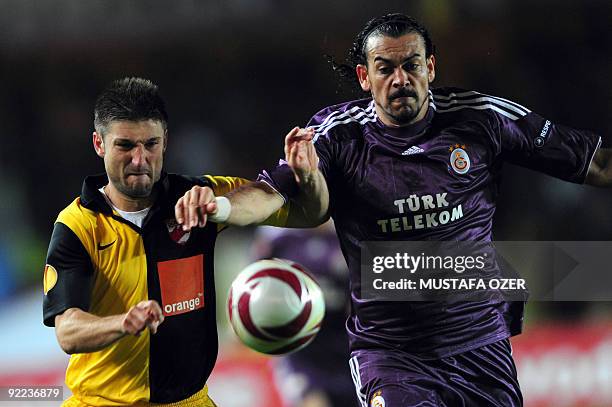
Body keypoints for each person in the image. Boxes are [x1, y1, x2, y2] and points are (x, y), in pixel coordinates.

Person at [175, 13, 611, 407]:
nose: (400, 78)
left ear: (431, 68)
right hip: (392, 355)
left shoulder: (481, 118)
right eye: (385, 68)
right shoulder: (338, 136)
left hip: (480, 343)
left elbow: (596, 163)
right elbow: (271, 195)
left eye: (412, 65)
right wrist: (220, 206)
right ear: (365, 77)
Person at [42, 77, 287, 406]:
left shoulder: (195, 199)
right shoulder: (79, 224)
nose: (140, 159)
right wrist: (123, 323)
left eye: (151, 144)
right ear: (99, 144)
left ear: (165, 141)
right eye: (125, 145)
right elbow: (67, 331)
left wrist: (224, 206)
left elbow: (285, 204)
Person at [251, 222, 356, 407]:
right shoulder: (277, 241)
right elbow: (253, 295)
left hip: (350, 347)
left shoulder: (352, 233)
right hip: (300, 353)